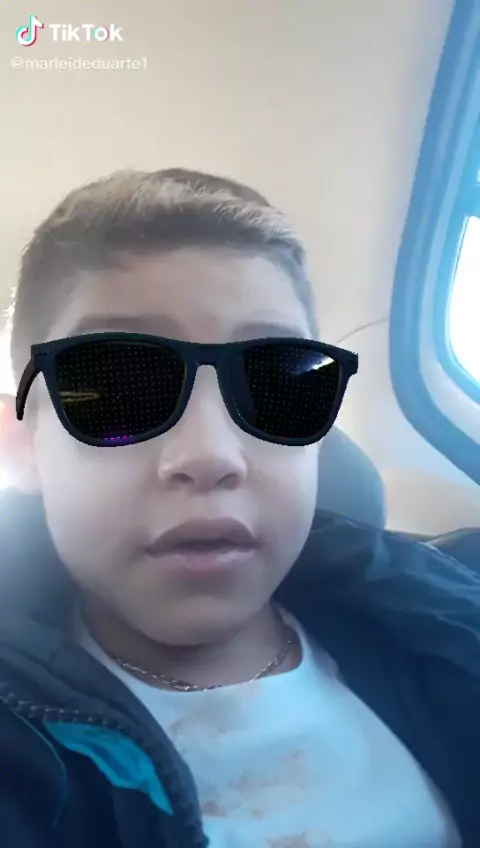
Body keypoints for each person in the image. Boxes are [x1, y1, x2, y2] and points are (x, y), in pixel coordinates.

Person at [0, 168, 478, 848]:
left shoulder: (444, 618)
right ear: (23, 442)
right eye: (114, 388)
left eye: (276, 382)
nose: (210, 455)